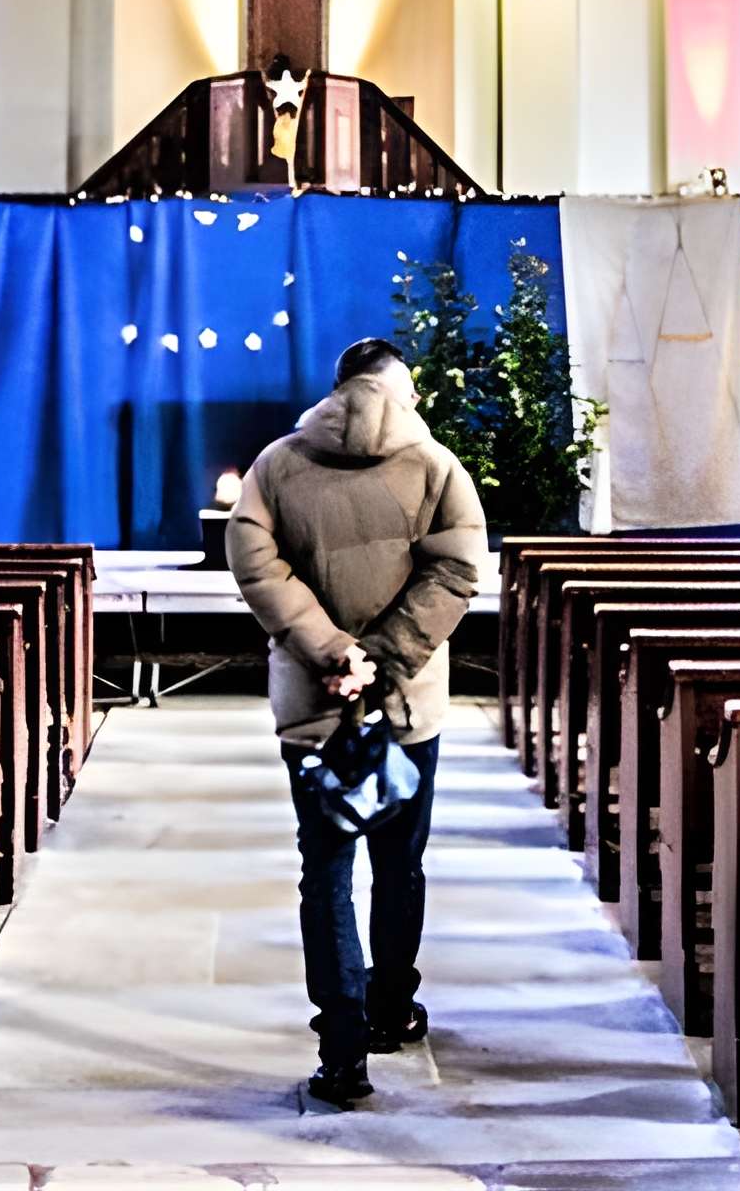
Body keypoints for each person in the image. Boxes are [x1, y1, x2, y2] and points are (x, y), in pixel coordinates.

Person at [226, 335, 486, 1109]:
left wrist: (332, 650)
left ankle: (341, 1053)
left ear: (338, 391)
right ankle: (391, 1009)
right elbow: (460, 567)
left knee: (327, 871)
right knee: (401, 864)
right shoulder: (436, 464)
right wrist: (384, 656)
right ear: (399, 389)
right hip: (406, 706)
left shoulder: (276, 465)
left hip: (316, 704)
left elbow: (254, 562)